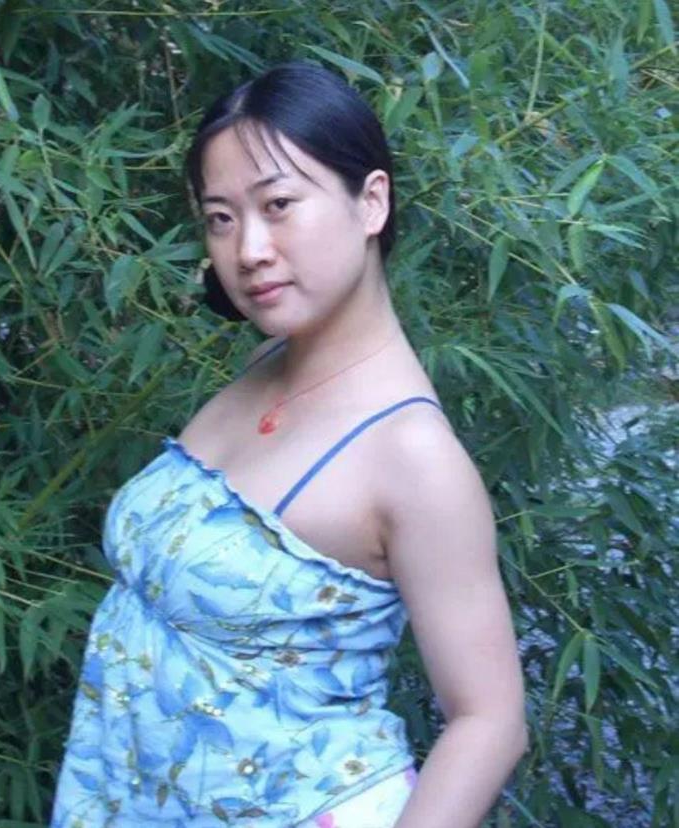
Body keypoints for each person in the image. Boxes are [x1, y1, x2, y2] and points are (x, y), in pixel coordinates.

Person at [51, 61, 527, 828]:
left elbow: (490, 721)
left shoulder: (414, 458)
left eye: (278, 205)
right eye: (221, 218)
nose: (249, 250)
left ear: (371, 201)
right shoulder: (269, 364)